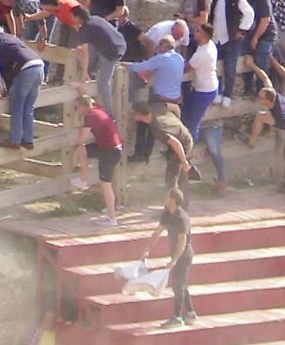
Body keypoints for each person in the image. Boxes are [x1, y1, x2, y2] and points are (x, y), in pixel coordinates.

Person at [126, 36, 185, 164]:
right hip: (174, 100)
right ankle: (154, 154)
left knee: (144, 122)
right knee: (163, 126)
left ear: (164, 46)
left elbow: (140, 67)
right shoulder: (179, 58)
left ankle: (139, 154)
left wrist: (124, 65)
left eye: (159, 46)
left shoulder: (161, 59)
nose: (157, 49)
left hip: (160, 99)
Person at [143, 188, 197, 328]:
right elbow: (157, 233)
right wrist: (147, 249)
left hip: (184, 255)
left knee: (177, 285)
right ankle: (190, 314)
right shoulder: (167, 214)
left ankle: (177, 317)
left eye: (166, 196)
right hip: (176, 254)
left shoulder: (181, 218)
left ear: (173, 200)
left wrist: (174, 260)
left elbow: (182, 242)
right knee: (181, 284)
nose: (164, 198)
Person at [0, 25, 44, 151]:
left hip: (25, 69)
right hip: (39, 66)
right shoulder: (12, 39)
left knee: (17, 105)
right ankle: (28, 140)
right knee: (28, 106)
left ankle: (15, 140)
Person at [246, 87, 285, 202]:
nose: (258, 99)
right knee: (260, 116)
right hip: (283, 122)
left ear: (268, 100)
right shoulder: (272, 95)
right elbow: (265, 78)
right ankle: (251, 142)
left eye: (260, 98)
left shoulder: (281, 112)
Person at [70, 95, 122, 226]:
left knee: (106, 185)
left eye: (77, 107)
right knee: (82, 150)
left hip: (110, 152)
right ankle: (84, 179)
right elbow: (86, 97)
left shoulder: (90, 116)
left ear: (82, 107)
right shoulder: (98, 108)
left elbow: (81, 138)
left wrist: (77, 119)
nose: (76, 109)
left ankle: (112, 218)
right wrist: (78, 88)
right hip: (109, 148)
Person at [208, 0, 254, 106]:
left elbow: (249, 14)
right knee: (216, 66)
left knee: (229, 66)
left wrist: (241, 30)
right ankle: (217, 92)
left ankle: (227, 94)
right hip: (217, 38)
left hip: (231, 40)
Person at [69, 7, 125, 117]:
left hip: (112, 53)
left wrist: (84, 71)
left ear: (78, 17)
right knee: (91, 49)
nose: (71, 19)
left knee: (103, 83)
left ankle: (109, 114)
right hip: (120, 43)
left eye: (72, 17)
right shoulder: (96, 18)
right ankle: (91, 72)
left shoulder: (84, 30)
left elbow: (85, 53)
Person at [134, 100, 196, 194]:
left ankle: (175, 205)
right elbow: (175, 107)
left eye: (135, 114)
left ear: (139, 115)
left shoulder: (158, 129)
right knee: (176, 170)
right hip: (183, 135)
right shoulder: (156, 106)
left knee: (171, 177)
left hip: (183, 144)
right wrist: (178, 124)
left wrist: (183, 161)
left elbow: (176, 144)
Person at [29, 0, 82, 83]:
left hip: (77, 25)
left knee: (71, 49)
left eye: (45, 7)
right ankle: (59, 77)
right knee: (60, 48)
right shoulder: (53, 4)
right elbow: (44, 13)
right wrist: (30, 17)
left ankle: (72, 78)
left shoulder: (68, 8)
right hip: (66, 22)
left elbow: (78, 27)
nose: (43, 9)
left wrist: (82, 42)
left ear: (51, 5)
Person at [182, 23, 219, 149]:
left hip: (204, 91)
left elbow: (185, 69)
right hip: (202, 88)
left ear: (202, 35)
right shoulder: (209, 45)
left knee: (193, 121)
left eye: (197, 31)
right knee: (185, 114)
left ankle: (189, 149)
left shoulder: (202, 54)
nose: (195, 32)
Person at [240, 0, 276, 99]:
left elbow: (265, 20)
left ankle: (262, 91)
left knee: (261, 60)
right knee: (247, 58)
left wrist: (256, 37)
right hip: (250, 33)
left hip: (265, 34)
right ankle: (248, 89)